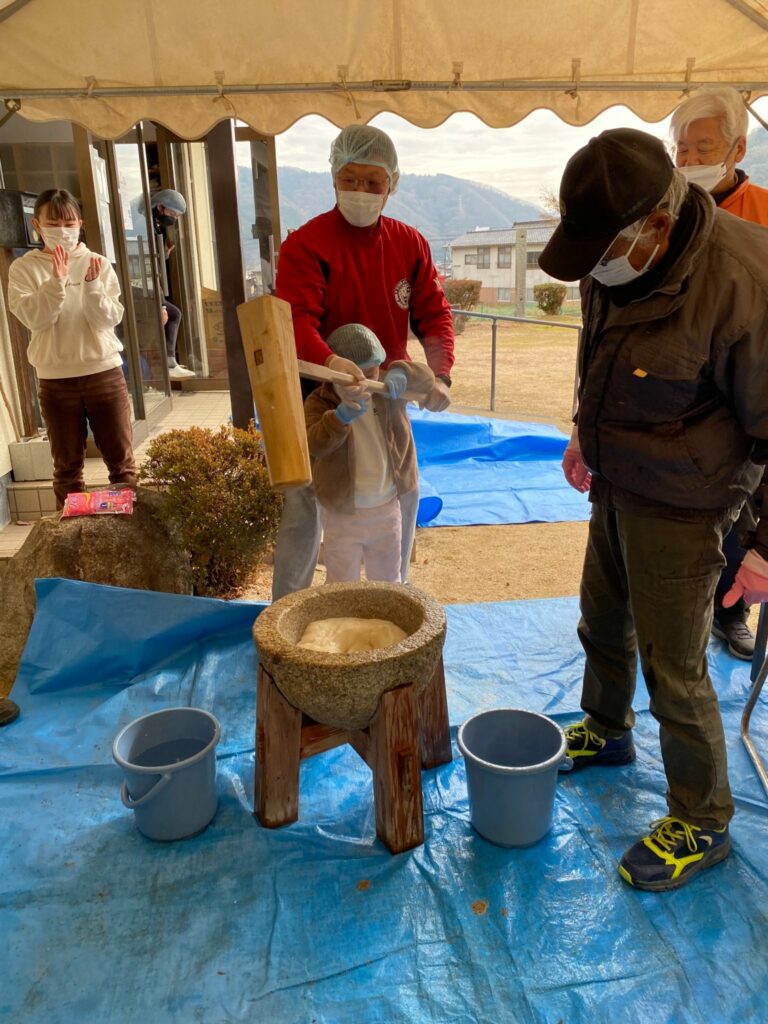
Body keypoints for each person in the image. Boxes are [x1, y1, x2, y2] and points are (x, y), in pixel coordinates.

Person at [539, 128, 768, 891]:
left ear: (658, 226)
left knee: (675, 667)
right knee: (602, 620)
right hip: (617, 477)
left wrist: (763, 547)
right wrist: (584, 429)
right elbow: (597, 348)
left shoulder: (745, 281)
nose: (594, 269)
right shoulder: (615, 253)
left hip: (688, 501)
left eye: (604, 252)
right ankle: (607, 729)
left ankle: (703, 819)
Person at [271, 124, 455, 601]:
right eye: (350, 179)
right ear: (333, 177)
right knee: (307, 505)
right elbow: (297, 322)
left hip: (387, 391)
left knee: (401, 490)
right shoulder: (307, 245)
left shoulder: (409, 243)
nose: (361, 191)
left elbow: (434, 315)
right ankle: (288, 611)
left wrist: (440, 375)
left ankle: (397, 600)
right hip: (319, 392)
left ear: (392, 184)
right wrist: (333, 364)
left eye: (373, 182)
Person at [669, 86, 768, 660]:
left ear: (737, 148)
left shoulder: (763, 212)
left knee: (739, 508)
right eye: (681, 149)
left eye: (702, 148)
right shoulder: (666, 212)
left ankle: (730, 611)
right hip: (679, 389)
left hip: (745, 389)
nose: (689, 160)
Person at [8, 188, 136, 510]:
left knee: (122, 465)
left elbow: (109, 319)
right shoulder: (23, 269)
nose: (63, 231)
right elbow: (35, 319)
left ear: (80, 224)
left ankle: (131, 530)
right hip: (55, 381)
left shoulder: (98, 263)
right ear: (37, 225)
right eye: (54, 224)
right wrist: (56, 282)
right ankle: (71, 536)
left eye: (69, 223)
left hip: (104, 373)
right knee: (67, 469)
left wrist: (91, 288)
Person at [304, 323, 434, 583]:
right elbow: (314, 444)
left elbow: (427, 379)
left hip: (387, 505)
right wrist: (339, 419)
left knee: (388, 581)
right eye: (357, 374)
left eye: (372, 370)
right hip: (342, 511)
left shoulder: (387, 391)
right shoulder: (321, 401)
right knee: (342, 584)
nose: (366, 380)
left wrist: (402, 370)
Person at [148, 188, 194, 380]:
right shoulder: (147, 226)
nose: (173, 219)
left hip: (150, 283)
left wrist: (164, 253)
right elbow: (146, 260)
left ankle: (169, 362)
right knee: (172, 314)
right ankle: (168, 363)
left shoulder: (154, 225)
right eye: (173, 214)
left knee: (173, 314)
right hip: (145, 285)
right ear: (160, 207)